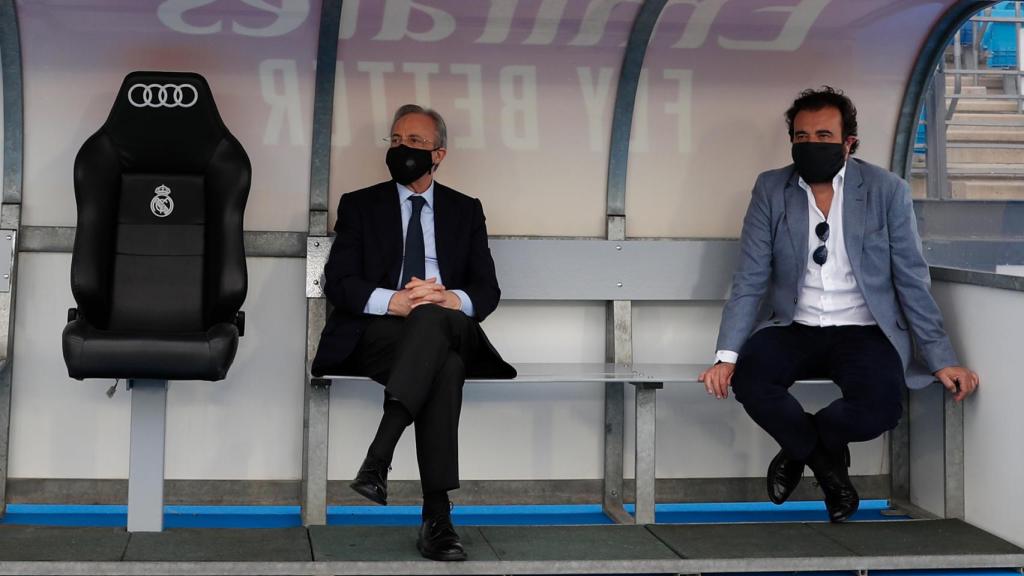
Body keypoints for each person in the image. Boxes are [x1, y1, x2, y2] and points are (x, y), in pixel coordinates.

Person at [699, 87, 979, 522]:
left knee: (881, 408)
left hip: (865, 329)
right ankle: (830, 470)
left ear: (849, 141)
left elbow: (910, 279)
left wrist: (942, 358)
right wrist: (725, 355)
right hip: (793, 326)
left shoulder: (887, 191)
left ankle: (802, 449)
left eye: (824, 135)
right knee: (751, 381)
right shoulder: (771, 189)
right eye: (802, 136)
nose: (812, 144)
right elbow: (751, 278)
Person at [311, 104, 515, 560]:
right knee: (445, 365)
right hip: (382, 335)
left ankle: (379, 456)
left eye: (416, 143)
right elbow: (339, 281)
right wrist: (395, 300)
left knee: (435, 319)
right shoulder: (360, 205)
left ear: (438, 154)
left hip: (451, 323)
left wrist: (447, 299)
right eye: (396, 140)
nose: (403, 149)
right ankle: (437, 519)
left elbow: (487, 289)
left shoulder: (465, 210)